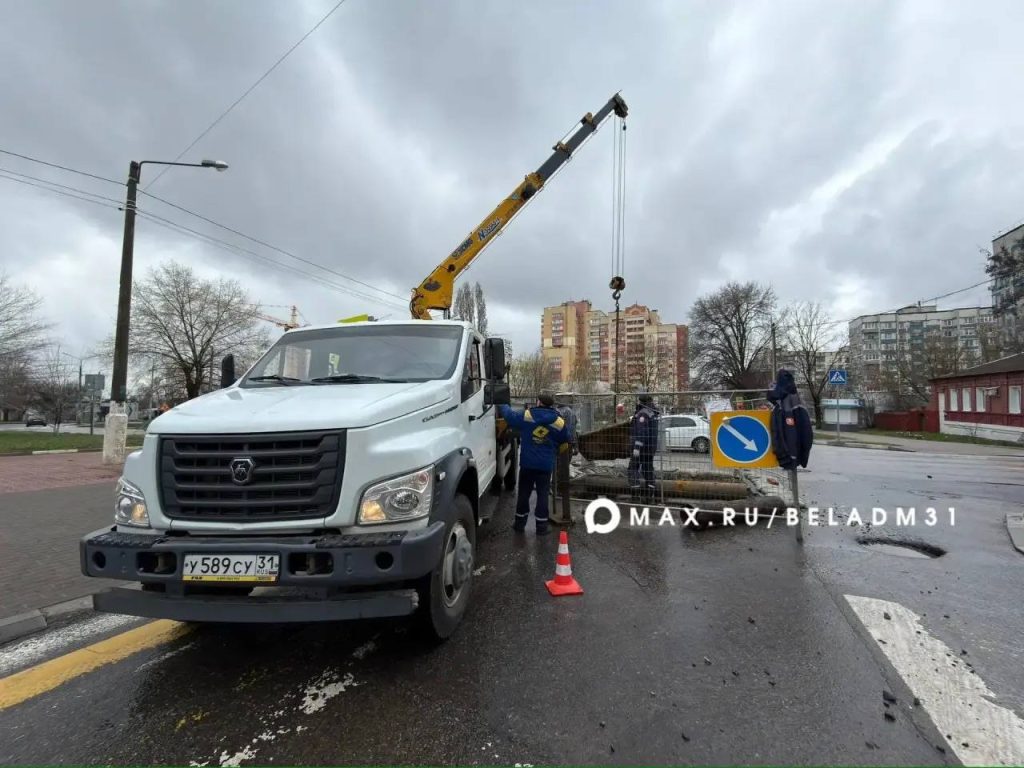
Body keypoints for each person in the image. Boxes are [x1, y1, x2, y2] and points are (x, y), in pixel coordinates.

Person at [499, 393, 570, 535]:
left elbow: (509, 416)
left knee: (524, 494)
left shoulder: (527, 415)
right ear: (551, 405)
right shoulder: (559, 421)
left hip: (527, 464)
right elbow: (565, 442)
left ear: (539, 402)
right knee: (543, 495)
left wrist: (501, 401)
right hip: (545, 466)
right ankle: (541, 527)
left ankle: (519, 524)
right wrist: (555, 452)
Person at [628, 393, 660, 501]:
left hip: (642, 449)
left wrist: (637, 447)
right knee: (648, 470)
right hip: (650, 448)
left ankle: (635, 496)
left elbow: (642, 431)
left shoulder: (643, 414)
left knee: (632, 469)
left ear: (641, 401)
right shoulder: (653, 413)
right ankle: (649, 496)